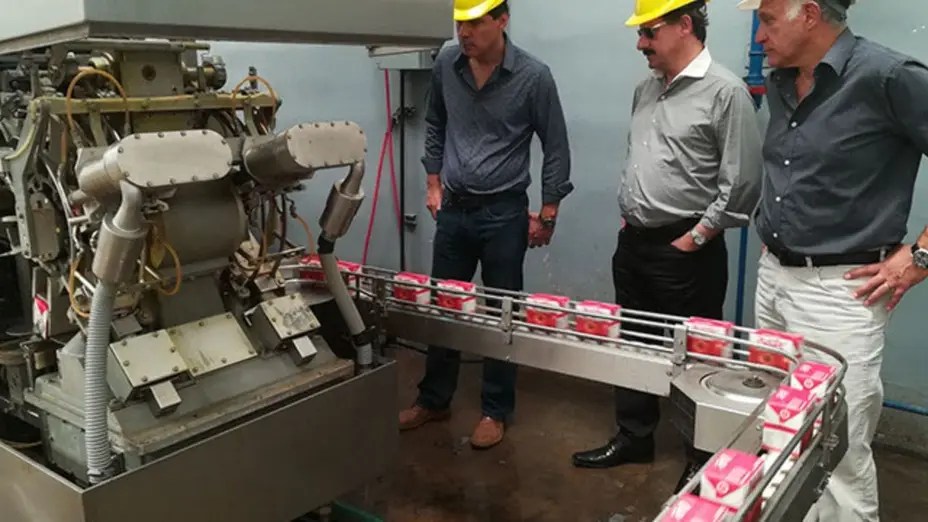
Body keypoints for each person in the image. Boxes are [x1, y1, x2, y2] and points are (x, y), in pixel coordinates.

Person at [735, 0, 928, 520]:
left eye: (768, 19)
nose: (759, 35)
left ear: (810, 14)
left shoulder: (888, 77)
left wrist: (921, 256)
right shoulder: (782, 81)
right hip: (775, 277)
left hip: (841, 290)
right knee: (779, 429)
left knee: (836, 451)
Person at [570, 0, 764, 490]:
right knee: (635, 346)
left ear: (684, 26)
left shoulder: (726, 92)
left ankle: (701, 457)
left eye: (649, 32)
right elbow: (641, 157)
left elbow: (742, 183)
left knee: (695, 359)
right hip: (635, 244)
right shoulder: (647, 88)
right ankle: (635, 436)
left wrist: (695, 238)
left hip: (686, 253)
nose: (640, 43)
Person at [397, 0, 573, 449]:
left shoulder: (533, 76)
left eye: (475, 22)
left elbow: (555, 145)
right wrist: (433, 182)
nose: (464, 32)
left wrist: (549, 212)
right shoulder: (446, 64)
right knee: (444, 307)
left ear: (502, 20)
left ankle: (496, 409)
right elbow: (434, 122)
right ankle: (434, 399)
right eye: (460, 22)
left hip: (504, 214)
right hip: (454, 210)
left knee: (502, 314)